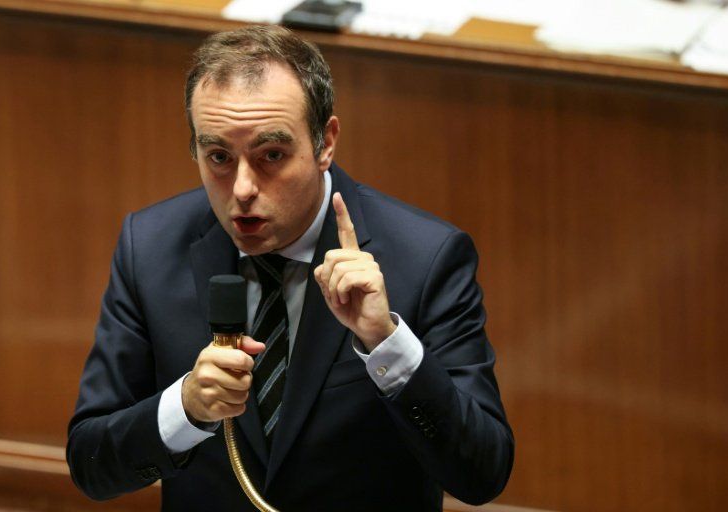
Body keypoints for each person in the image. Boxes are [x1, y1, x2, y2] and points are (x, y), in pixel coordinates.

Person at [67, 25, 513, 512]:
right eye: (219, 156)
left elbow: (482, 473)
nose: (242, 189)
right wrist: (185, 408)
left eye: (272, 155)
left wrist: (387, 344)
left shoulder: (426, 258)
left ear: (326, 143)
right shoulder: (150, 247)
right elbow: (91, 464)